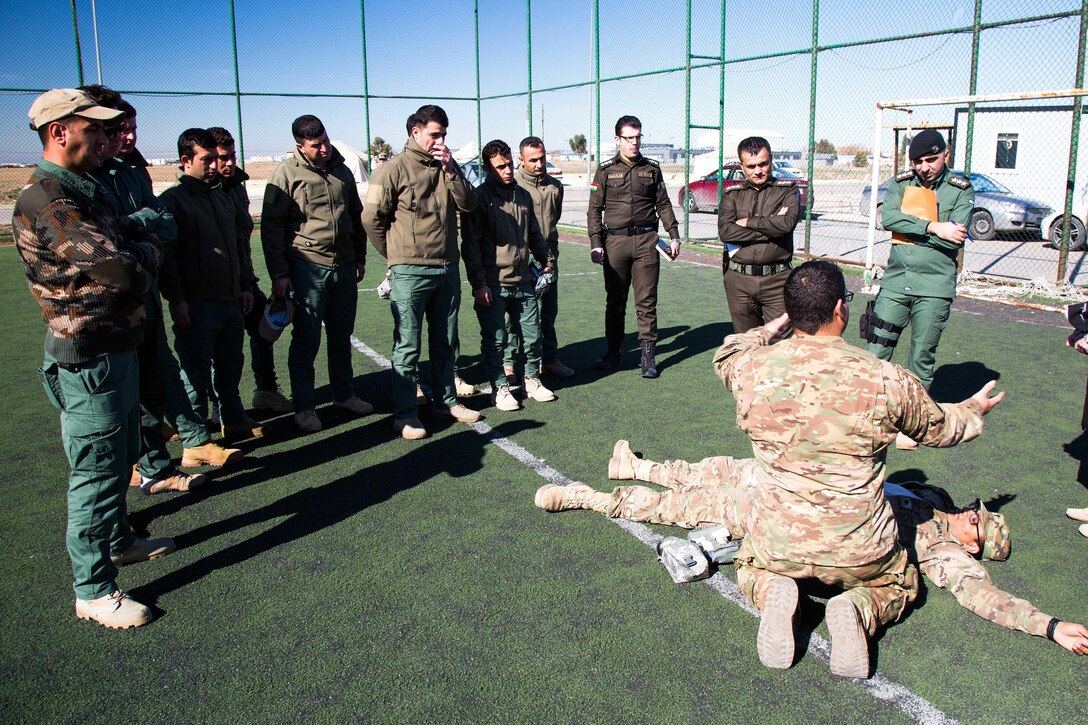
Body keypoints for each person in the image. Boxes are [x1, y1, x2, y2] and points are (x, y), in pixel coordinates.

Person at [714, 260, 1004, 678]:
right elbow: (941, 429)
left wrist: (769, 329)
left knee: (750, 563)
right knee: (897, 582)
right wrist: (974, 409)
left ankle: (774, 588)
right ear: (840, 309)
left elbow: (729, 351)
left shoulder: (751, 368)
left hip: (780, 541)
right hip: (860, 549)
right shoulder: (885, 378)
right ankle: (857, 606)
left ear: (791, 312)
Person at [534, 443, 1088, 656]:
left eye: (979, 524)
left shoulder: (946, 556)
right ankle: (637, 469)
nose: (973, 515)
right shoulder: (929, 500)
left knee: (697, 507)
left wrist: (1048, 625)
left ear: (977, 545)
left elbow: (986, 599)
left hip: (800, 528)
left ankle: (586, 497)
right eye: (978, 512)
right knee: (720, 482)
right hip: (798, 497)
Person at [13, 89, 175, 628]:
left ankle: (120, 539)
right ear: (60, 132)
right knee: (97, 473)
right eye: (95, 129)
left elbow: (120, 236)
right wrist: (151, 247)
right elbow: (122, 271)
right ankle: (93, 589)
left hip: (115, 348)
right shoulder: (49, 201)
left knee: (121, 452)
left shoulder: (86, 189)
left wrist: (138, 232)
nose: (107, 139)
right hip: (88, 357)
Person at [81, 88, 242, 494]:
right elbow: (118, 237)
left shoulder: (134, 169)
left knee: (160, 378)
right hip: (107, 307)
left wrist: (137, 228)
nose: (129, 136)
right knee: (128, 393)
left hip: (145, 293)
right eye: (120, 128)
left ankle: (165, 459)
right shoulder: (87, 177)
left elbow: (161, 226)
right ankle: (146, 462)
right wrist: (143, 231)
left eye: (133, 128)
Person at [362, 104, 480, 440]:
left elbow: (469, 205)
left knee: (446, 341)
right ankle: (405, 414)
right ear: (415, 132)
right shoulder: (391, 170)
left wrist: (452, 170)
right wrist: (395, 256)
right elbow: (371, 219)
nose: (440, 140)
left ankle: (446, 402)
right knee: (408, 344)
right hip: (411, 272)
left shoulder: (448, 167)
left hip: (446, 269)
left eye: (444, 134)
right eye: (434, 134)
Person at [863, 130, 974, 449]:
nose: (924, 167)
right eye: (917, 161)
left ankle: (912, 424)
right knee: (876, 349)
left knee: (921, 355)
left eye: (931, 160)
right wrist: (934, 225)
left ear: (946, 155)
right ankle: (868, 412)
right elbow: (888, 219)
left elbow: (956, 236)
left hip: (934, 287)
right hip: (897, 281)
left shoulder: (961, 190)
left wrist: (912, 226)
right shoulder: (901, 183)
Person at [262, 115, 374, 433]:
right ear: (300, 146)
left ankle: (344, 395)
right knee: (306, 339)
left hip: (344, 265)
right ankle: (305, 406)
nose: (324, 149)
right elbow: (272, 228)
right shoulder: (284, 175)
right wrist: (280, 274)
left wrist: (361, 257)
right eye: (316, 145)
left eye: (325, 141)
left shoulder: (341, 169)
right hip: (307, 268)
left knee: (341, 336)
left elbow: (355, 214)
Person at [160, 128, 263, 441]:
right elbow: (168, 257)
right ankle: (196, 438)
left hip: (231, 298)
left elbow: (237, 246)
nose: (214, 166)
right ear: (185, 160)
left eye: (216, 159)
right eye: (206, 160)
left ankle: (232, 420)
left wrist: (245, 285)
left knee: (231, 366)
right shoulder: (172, 201)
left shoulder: (222, 197)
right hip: (197, 303)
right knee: (196, 373)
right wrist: (177, 299)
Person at [461, 139, 556, 411]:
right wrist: (479, 283)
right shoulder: (479, 199)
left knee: (532, 334)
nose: (507, 171)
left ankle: (531, 380)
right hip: (493, 283)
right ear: (487, 169)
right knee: (495, 339)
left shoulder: (522, 195)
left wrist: (546, 262)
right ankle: (499, 387)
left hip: (524, 279)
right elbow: (472, 246)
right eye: (500, 167)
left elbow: (535, 234)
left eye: (509, 165)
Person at [587, 115, 680, 378]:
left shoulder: (651, 169)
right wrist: (596, 243)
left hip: (647, 242)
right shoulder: (605, 170)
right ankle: (613, 352)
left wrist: (674, 234)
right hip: (614, 242)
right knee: (615, 301)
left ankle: (648, 357)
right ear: (618, 139)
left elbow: (663, 204)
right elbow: (594, 209)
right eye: (629, 138)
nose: (634, 143)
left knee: (647, 301)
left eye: (638, 137)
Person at [209, 126, 292, 416]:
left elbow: (242, 241)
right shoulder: (203, 193)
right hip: (216, 286)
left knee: (264, 330)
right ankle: (220, 407)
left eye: (232, 155)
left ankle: (265, 391)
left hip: (244, 279)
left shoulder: (236, 186)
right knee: (217, 350)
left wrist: (247, 282)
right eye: (222, 157)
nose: (229, 163)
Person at [716, 136, 800, 333]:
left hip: (777, 280)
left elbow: (787, 224)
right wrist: (771, 228)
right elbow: (726, 231)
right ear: (741, 165)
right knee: (746, 345)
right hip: (739, 279)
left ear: (771, 159)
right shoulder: (731, 194)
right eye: (751, 166)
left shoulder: (787, 190)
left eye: (763, 164)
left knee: (780, 347)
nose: (758, 170)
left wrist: (747, 222)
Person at [507, 136, 572, 379]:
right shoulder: (513, 186)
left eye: (542, 158)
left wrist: (548, 257)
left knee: (549, 311)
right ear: (520, 159)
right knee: (515, 314)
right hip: (522, 258)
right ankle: (511, 363)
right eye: (533, 159)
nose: (538, 164)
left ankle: (550, 359)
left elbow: (554, 218)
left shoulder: (555, 185)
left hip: (549, 258)